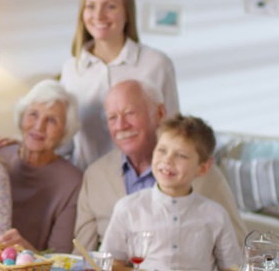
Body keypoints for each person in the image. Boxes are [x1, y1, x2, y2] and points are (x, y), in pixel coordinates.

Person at [73, 80, 247, 253]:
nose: (121, 125)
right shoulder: (94, 176)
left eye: (130, 113)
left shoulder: (201, 173)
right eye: (112, 117)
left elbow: (238, 249)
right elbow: (81, 255)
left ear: (160, 113)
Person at [59, 0, 180, 171]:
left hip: (144, 183)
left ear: (127, 13)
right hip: (86, 184)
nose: (98, 15)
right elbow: (64, 140)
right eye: (91, 6)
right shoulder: (71, 69)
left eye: (110, 6)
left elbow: (173, 133)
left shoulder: (156, 64)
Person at [100, 114, 241, 270]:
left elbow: (232, 267)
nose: (167, 160)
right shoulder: (128, 208)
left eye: (181, 155)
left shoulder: (216, 215)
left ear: (203, 168)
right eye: (162, 150)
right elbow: (110, 263)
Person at [0, 79, 82, 253]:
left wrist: (27, 252)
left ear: (65, 130)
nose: (39, 126)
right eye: (33, 114)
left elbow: (59, 257)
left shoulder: (71, 182)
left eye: (52, 120)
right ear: (22, 117)